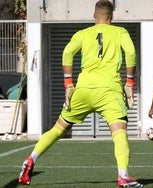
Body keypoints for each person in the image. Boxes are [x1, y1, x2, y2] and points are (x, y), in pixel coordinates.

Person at [18, 1, 143, 187]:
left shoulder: (83, 34)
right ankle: (123, 175)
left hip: (83, 90)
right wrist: (130, 82)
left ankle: (30, 160)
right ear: (112, 17)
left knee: (58, 129)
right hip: (109, 91)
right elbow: (131, 53)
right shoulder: (120, 32)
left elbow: (67, 52)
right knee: (119, 132)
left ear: (94, 16)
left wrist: (68, 83)